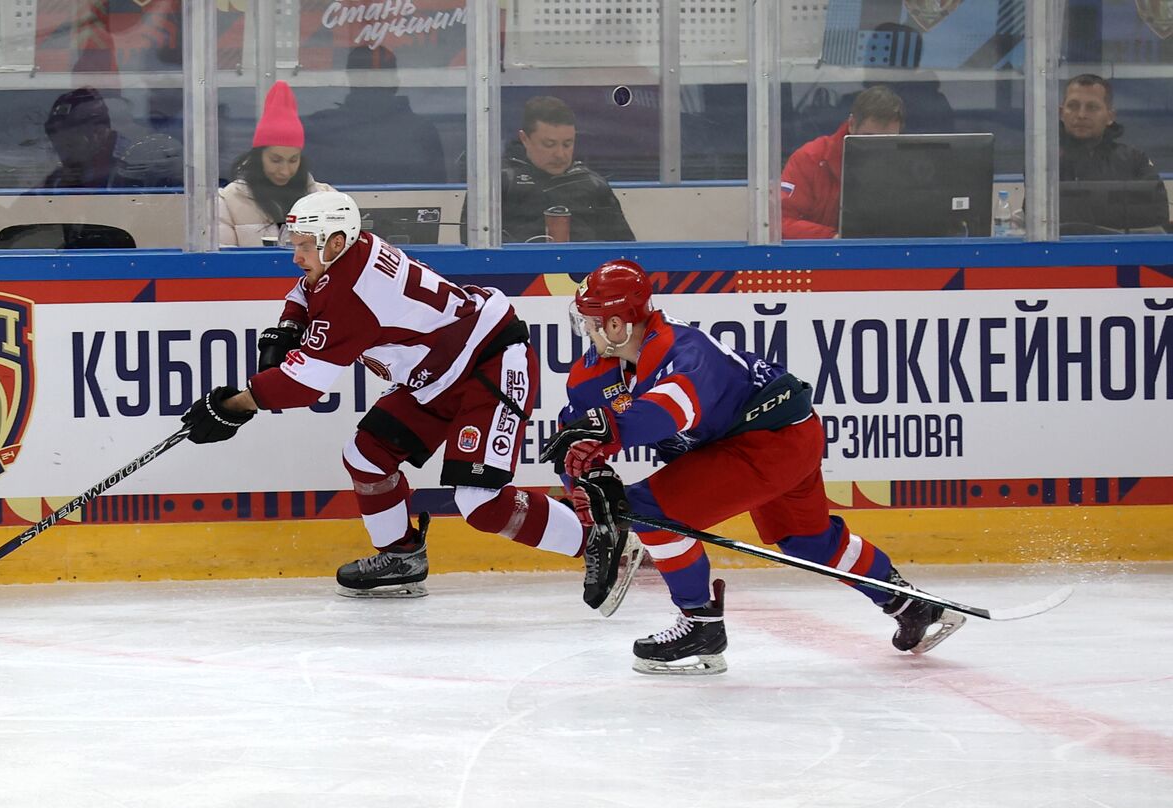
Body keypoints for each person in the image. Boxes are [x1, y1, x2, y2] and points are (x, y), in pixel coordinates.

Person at [182, 191, 619, 601]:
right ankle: (402, 555)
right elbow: (306, 289)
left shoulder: (352, 295)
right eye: (293, 243)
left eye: (305, 245)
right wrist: (291, 323)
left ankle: (597, 537)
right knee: (367, 454)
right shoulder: (349, 252)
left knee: (479, 500)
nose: (297, 256)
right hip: (438, 374)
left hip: (490, 363)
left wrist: (232, 407)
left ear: (336, 242)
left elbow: (304, 384)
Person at [540, 259, 965, 675]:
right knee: (807, 541)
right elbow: (572, 436)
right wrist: (582, 486)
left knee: (652, 512)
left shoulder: (682, 348)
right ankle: (911, 605)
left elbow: (668, 412)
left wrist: (606, 436)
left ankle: (700, 626)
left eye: (592, 321)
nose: (587, 330)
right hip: (783, 435)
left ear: (617, 325)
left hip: (770, 439)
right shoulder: (592, 374)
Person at [461, 95, 636, 243]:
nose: (560, 154)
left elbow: (624, 249)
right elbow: (472, 247)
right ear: (524, 139)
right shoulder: (496, 183)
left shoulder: (592, 185)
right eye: (549, 144)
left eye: (567, 144)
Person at [301, 46, 448, 185]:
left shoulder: (318, 128)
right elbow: (441, 194)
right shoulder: (422, 130)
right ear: (396, 82)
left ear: (349, 81)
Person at [218, 81, 334, 247]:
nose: (285, 171)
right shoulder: (228, 201)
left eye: (293, 160)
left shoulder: (326, 198)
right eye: (275, 160)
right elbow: (224, 265)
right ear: (259, 157)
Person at [781, 85, 905, 239]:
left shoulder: (910, 166)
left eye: (886, 141)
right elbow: (779, 223)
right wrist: (833, 239)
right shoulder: (810, 159)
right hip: (822, 258)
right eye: (868, 138)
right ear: (852, 124)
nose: (875, 148)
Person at [1058, 74, 1169, 233]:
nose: (1081, 114)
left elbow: (1156, 217)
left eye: (1092, 107)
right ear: (1061, 113)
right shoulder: (1045, 160)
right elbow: (1034, 217)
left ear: (1110, 116)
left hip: (1126, 255)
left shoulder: (1134, 160)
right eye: (1073, 106)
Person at [41, 87, 130, 189]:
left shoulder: (126, 180)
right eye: (53, 134)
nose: (58, 143)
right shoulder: (51, 183)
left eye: (69, 131)